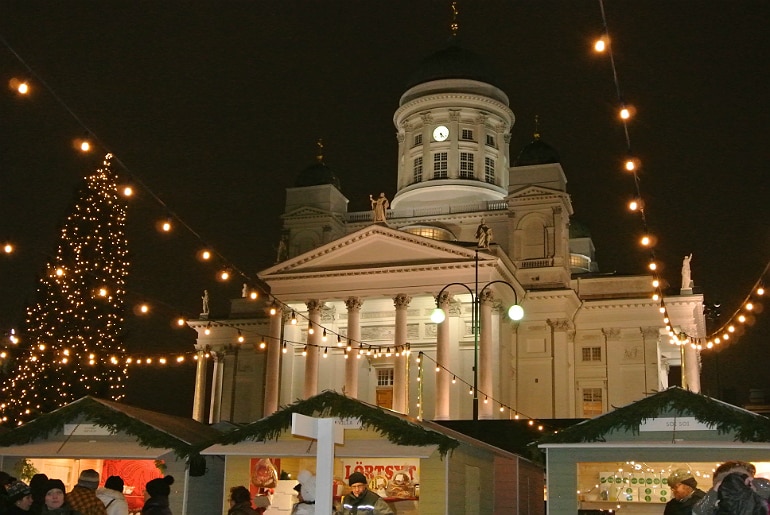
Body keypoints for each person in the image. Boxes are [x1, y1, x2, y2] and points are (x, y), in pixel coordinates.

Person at [693, 461, 770, 515]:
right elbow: (697, 512)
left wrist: (759, 485)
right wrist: (714, 493)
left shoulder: (757, 501)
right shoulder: (714, 505)